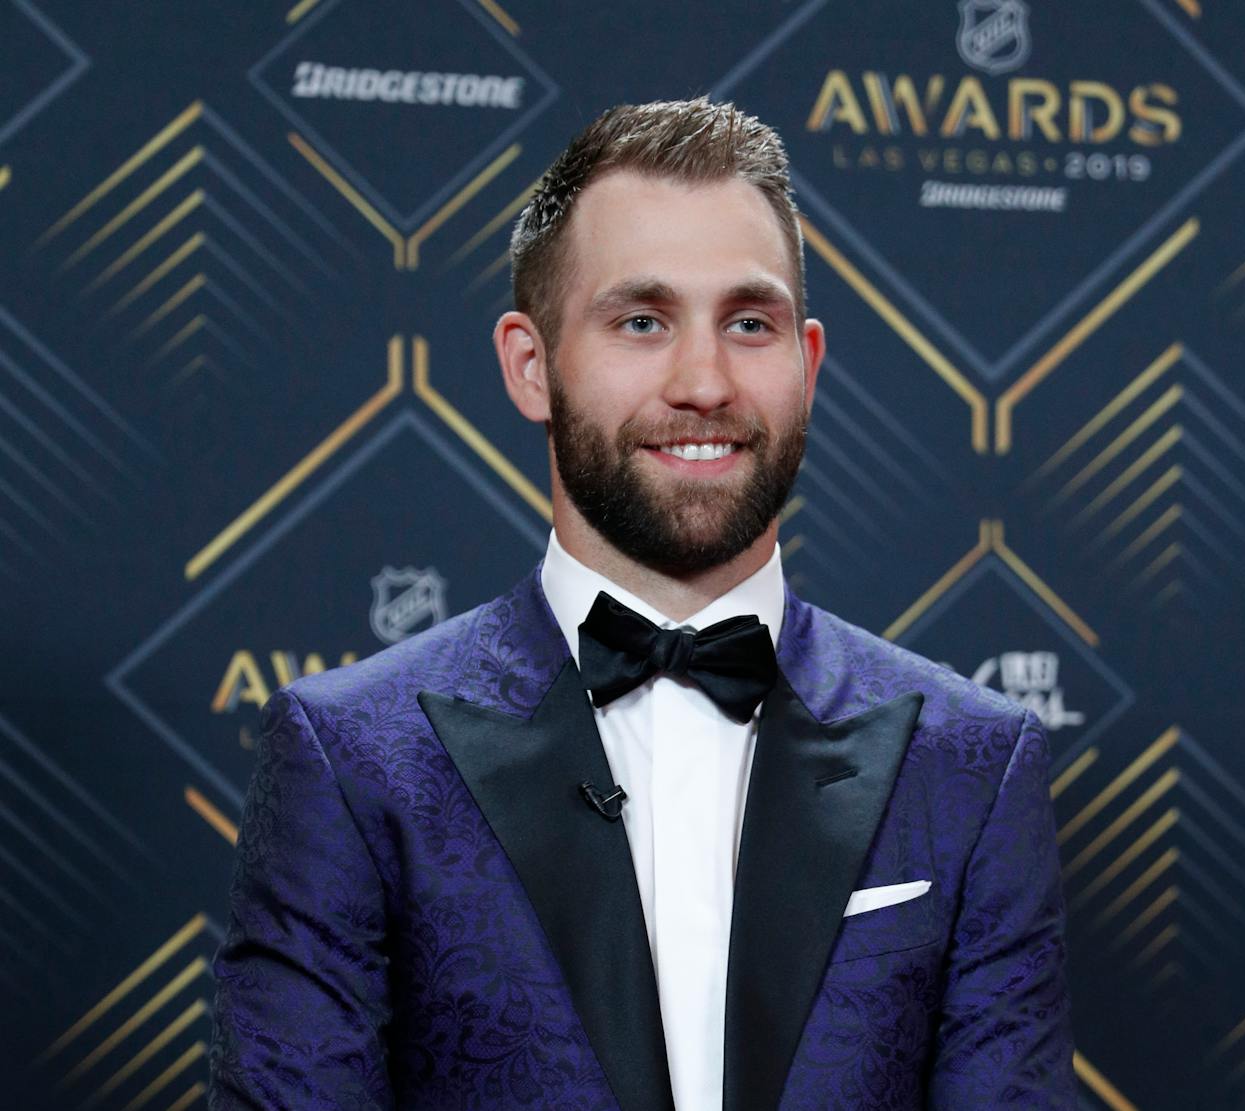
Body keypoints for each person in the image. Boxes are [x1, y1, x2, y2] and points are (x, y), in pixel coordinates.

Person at [209, 97, 1074, 1110]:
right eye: (641, 321)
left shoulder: (971, 764)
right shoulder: (351, 758)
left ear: (806, 363)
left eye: (748, 323)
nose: (702, 379)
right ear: (530, 365)